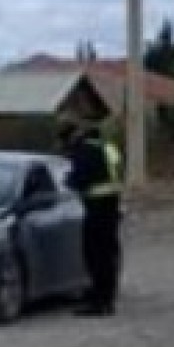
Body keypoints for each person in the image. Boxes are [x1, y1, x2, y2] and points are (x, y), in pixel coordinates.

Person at [59, 115, 123, 317]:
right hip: (112, 205)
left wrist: (68, 181)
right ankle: (107, 298)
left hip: (96, 207)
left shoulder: (85, 151)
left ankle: (99, 302)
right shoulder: (107, 147)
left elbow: (79, 180)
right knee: (108, 254)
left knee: (95, 255)